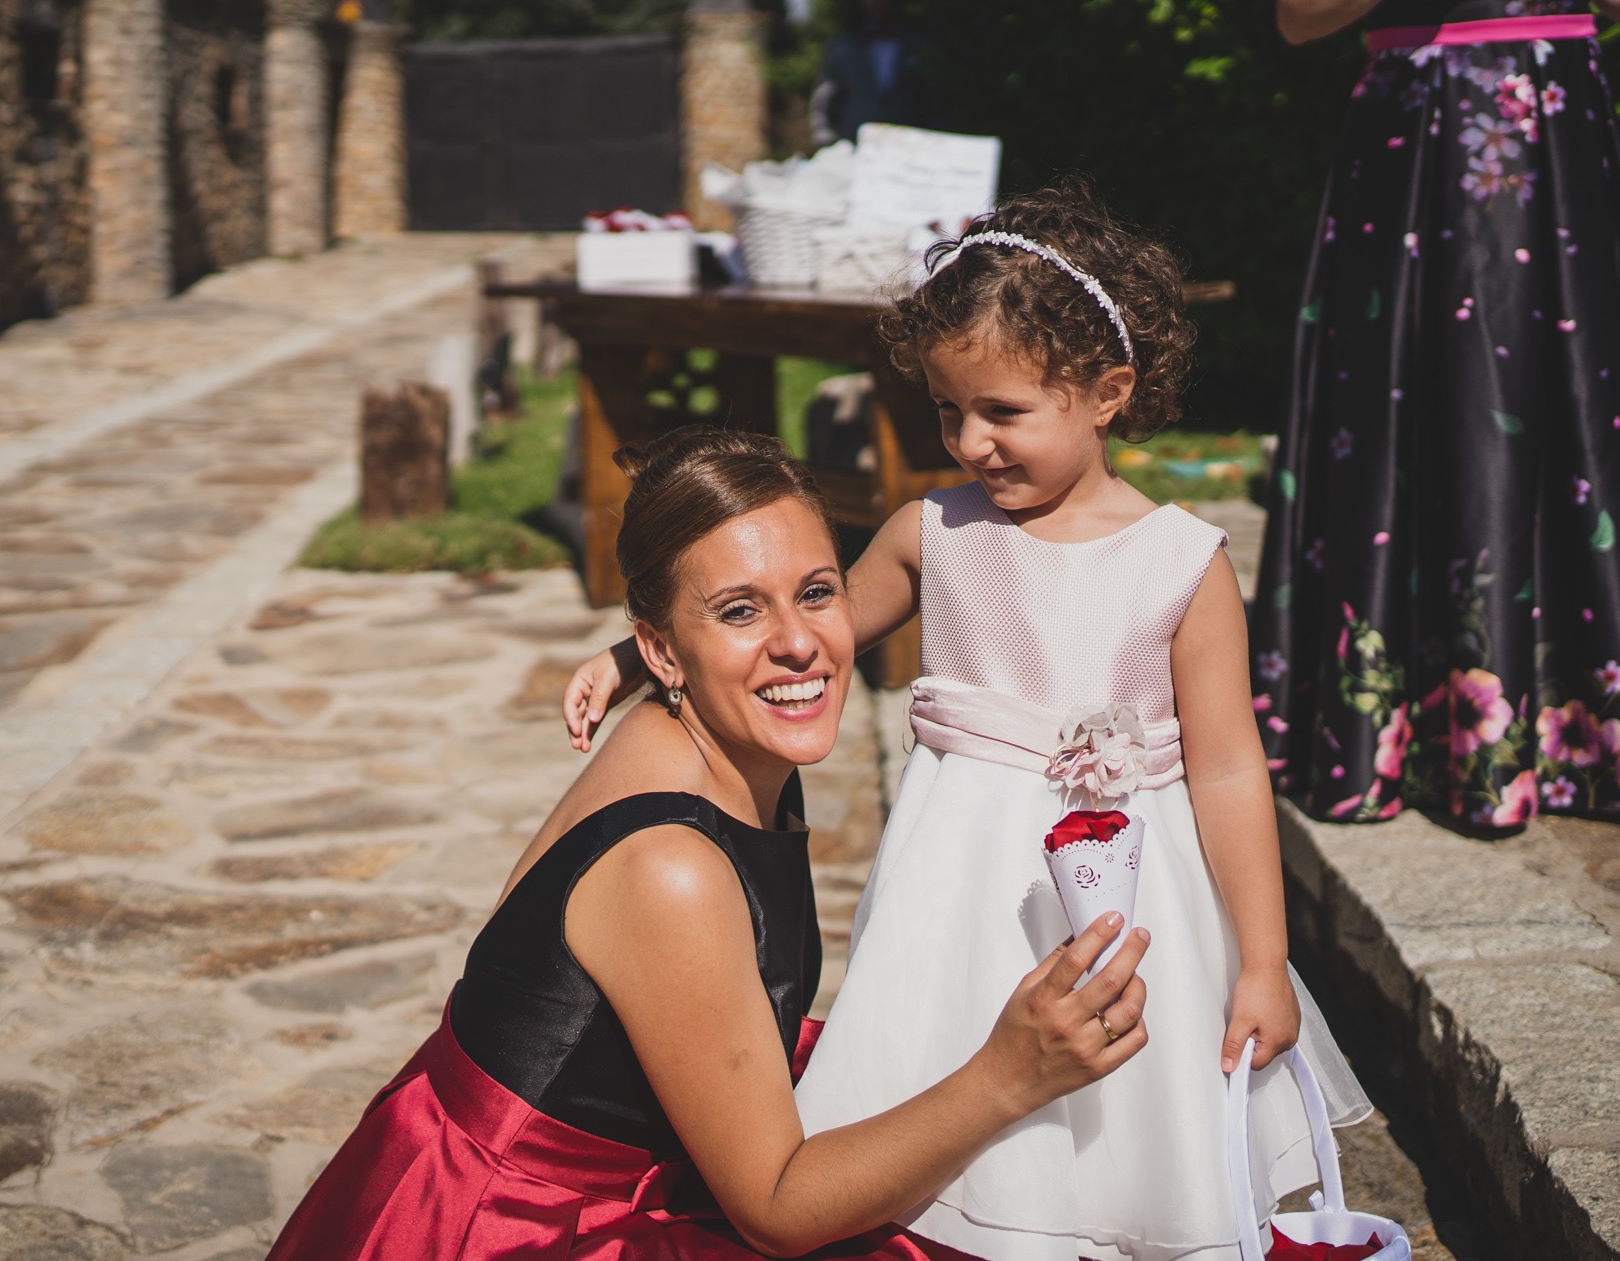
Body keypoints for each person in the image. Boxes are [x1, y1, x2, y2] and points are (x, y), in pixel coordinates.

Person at [563, 187, 1370, 1260]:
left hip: (1128, 890)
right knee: (964, 1095)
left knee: (1128, 1117)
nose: (971, 442)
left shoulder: (1180, 564)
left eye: (1003, 411)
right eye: (949, 412)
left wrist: (1261, 961)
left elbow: (1225, 770)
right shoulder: (930, 534)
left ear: (1105, 394)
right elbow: (806, 633)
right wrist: (641, 652)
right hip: (958, 892)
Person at [267, 426, 1153, 1261]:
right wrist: (1008, 1076)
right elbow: (775, 1207)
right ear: (662, 649)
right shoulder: (673, 866)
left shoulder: (698, 733)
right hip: (513, 1223)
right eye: (740, 611)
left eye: (816, 590)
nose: (800, 644)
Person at [1254, 0, 1620, 831]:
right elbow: (1300, 11)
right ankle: (1410, 734)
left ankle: (1583, 742)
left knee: (1573, 414)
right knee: (1435, 421)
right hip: (1430, 136)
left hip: (1563, 138)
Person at [811, 0, 931, 145]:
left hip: (907, 153)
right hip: (855, 151)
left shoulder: (918, 47)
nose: (874, 3)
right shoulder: (843, 48)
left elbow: (934, 106)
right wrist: (827, 142)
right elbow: (823, 104)